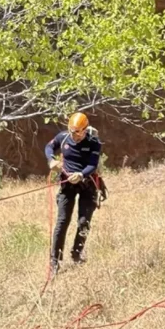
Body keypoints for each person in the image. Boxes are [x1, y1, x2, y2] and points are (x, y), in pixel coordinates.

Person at [45, 112, 103, 275]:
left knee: (84, 222)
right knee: (62, 221)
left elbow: (93, 164)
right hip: (67, 185)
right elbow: (49, 147)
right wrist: (51, 160)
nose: (75, 136)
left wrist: (82, 175)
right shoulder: (63, 138)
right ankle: (55, 261)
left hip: (87, 184)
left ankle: (77, 252)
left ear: (85, 130)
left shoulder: (94, 143)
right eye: (72, 132)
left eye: (78, 133)